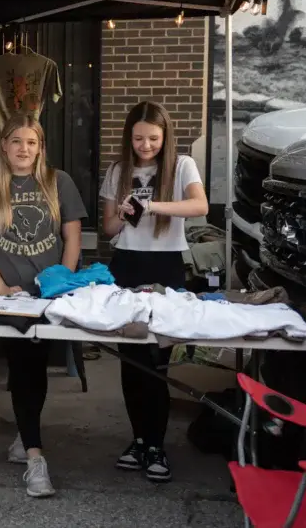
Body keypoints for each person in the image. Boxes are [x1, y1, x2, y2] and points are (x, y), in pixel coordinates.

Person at [0, 114, 86, 498]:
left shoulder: (58, 182)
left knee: (36, 367)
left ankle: (25, 435)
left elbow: (72, 239)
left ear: (40, 147)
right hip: (12, 297)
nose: (24, 149)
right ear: (3, 146)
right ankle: (36, 458)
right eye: (16, 141)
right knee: (22, 366)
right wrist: (2, 289)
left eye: (31, 142)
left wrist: (60, 284)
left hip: (47, 294)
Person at [100, 100, 208, 483]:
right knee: (131, 360)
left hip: (166, 266)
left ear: (165, 137)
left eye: (153, 138)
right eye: (138, 138)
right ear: (128, 137)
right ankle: (139, 440)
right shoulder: (118, 170)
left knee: (157, 360)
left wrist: (151, 205)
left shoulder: (182, 165)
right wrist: (123, 215)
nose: (145, 146)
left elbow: (200, 205)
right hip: (126, 265)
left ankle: (157, 445)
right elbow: (108, 229)